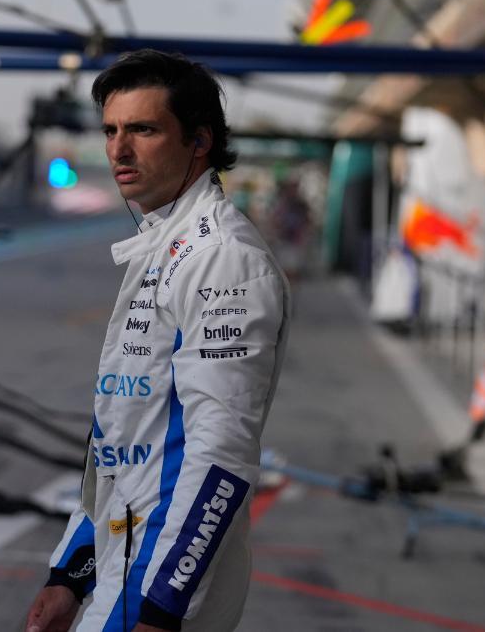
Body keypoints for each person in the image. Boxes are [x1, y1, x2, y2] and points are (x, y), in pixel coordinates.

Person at [25, 50, 291, 632]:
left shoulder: (222, 259)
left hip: (158, 586)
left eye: (143, 129)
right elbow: (125, 438)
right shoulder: (165, 243)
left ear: (200, 141)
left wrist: (164, 606)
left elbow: (222, 456)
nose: (119, 150)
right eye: (111, 131)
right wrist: (71, 574)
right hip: (121, 567)